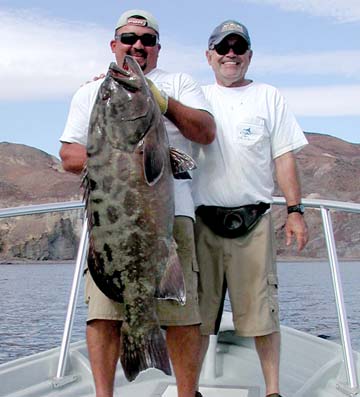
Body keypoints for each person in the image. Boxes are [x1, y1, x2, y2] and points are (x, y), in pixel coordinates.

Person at [59, 9, 215, 397]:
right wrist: (116, 153)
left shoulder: (179, 84)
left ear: (158, 49)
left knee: (182, 315)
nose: (137, 46)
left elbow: (206, 131)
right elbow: (68, 156)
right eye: (129, 39)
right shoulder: (91, 91)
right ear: (114, 45)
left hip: (170, 216)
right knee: (104, 313)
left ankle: (185, 393)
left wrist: (162, 102)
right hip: (110, 222)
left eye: (146, 40)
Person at [192, 20, 309, 397]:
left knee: (263, 315)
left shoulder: (268, 96)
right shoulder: (194, 97)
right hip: (200, 223)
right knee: (196, 317)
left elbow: (284, 157)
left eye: (238, 47)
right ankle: (187, 390)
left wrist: (295, 210)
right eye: (222, 48)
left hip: (254, 221)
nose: (230, 54)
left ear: (249, 56)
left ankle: (272, 391)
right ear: (209, 56)